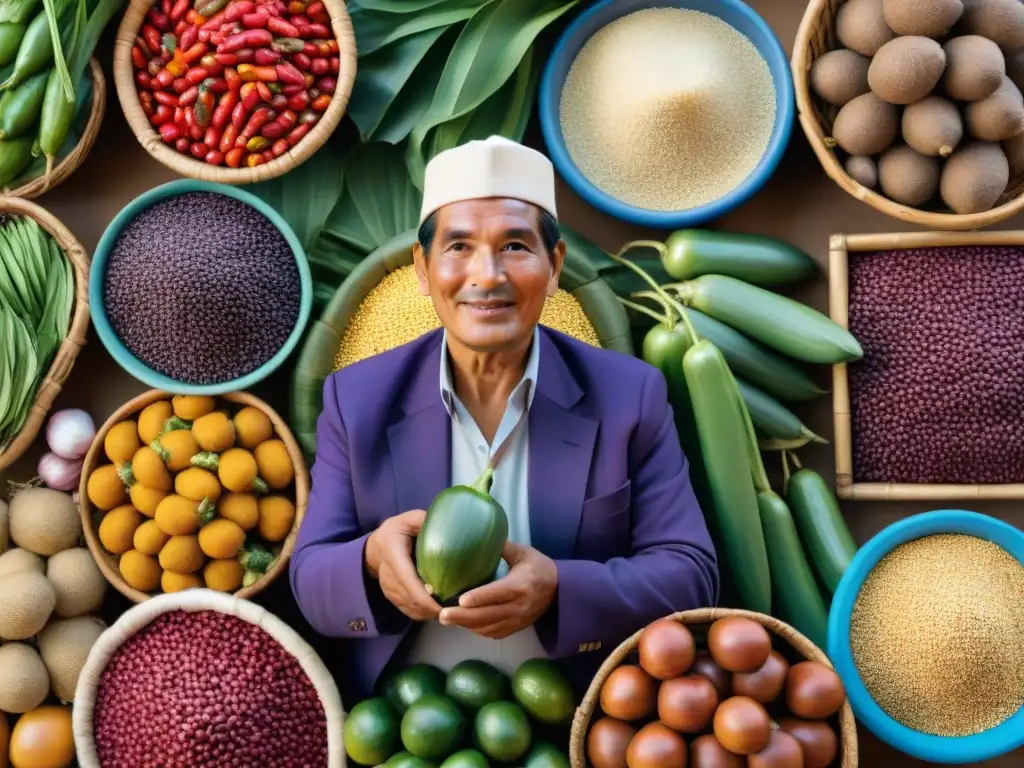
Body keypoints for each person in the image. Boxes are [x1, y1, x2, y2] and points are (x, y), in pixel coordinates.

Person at [289, 135, 718, 703]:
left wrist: (560, 589)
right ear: (422, 269)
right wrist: (369, 561)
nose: (486, 274)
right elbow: (310, 576)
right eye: (458, 246)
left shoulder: (627, 394)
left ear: (555, 264)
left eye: (515, 246)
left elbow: (690, 573)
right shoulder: (359, 397)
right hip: (405, 724)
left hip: (577, 718)